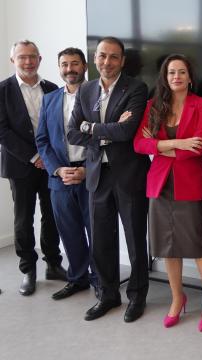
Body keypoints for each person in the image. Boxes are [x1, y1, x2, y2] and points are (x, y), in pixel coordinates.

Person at [132, 54, 202, 331]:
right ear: (165, 77)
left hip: (189, 183)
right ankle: (177, 297)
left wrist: (160, 144)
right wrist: (177, 142)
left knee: (196, 244)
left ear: (190, 76)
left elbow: (199, 146)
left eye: (182, 72)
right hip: (159, 184)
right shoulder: (153, 106)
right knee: (167, 247)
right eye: (171, 73)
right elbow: (138, 144)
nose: (177, 77)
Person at [67, 36, 150, 323]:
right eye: (102, 55)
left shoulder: (136, 87)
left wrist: (90, 127)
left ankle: (137, 297)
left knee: (135, 237)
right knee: (101, 238)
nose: (107, 62)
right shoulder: (86, 89)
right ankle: (108, 295)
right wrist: (106, 129)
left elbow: (127, 132)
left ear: (122, 61)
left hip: (129, 174)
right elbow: (72, 132)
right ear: (95, 57)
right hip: (97, 174)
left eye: (113, 57)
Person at [0, 40, 65, 296]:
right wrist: (33, 156)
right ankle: (28, 269)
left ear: (39, 59)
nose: (28, 62)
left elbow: (57, 125)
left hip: (51, 164)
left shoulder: (51, 88)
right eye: (22, 57)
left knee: (52, 216)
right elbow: (2, 131)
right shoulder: (2, 90)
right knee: (23, 219)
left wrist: (49, 158)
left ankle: (53, 264)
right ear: (13, 61)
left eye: (32, 57)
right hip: (20, 165)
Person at [35, 47, 98, 300]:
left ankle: (101, 281)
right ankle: (78, 279)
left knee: (97, 232)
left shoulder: (98, 96)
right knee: (69, 231)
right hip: (60, 178)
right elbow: (42, 140)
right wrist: (58, 170)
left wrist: (86, 169)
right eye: (64, 64)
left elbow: (105, 138)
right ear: (59, 68)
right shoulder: (49, 99)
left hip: (91, 175)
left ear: (84, 66)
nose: (69, 69)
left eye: (74, 63)